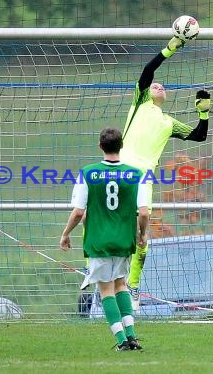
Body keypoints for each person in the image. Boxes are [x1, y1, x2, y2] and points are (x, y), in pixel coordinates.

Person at [120, 35, 211, 309]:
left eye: (162, 86)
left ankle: (133, 285)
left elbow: (198, 136)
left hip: (145, 174)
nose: (158, 86)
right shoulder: (140, 102)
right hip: (121, 167)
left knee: (142, 226)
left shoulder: (169, 122)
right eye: (155, 86)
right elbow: (149, 71)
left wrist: (204, 114)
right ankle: (93, 267)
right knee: (96, 215)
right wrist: (170, 48)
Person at [60, 127, 149, 351]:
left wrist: (66, 234)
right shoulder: (136, 174)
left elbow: (79, 212)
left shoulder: (88, 173)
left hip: (99, 242)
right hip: (123, 240)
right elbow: (144, 212)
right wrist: (142, 233)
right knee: (121, 286)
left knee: (106, 290)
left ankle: (121, 341)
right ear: (121, 146)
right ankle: (132, 337)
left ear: (100, 146)